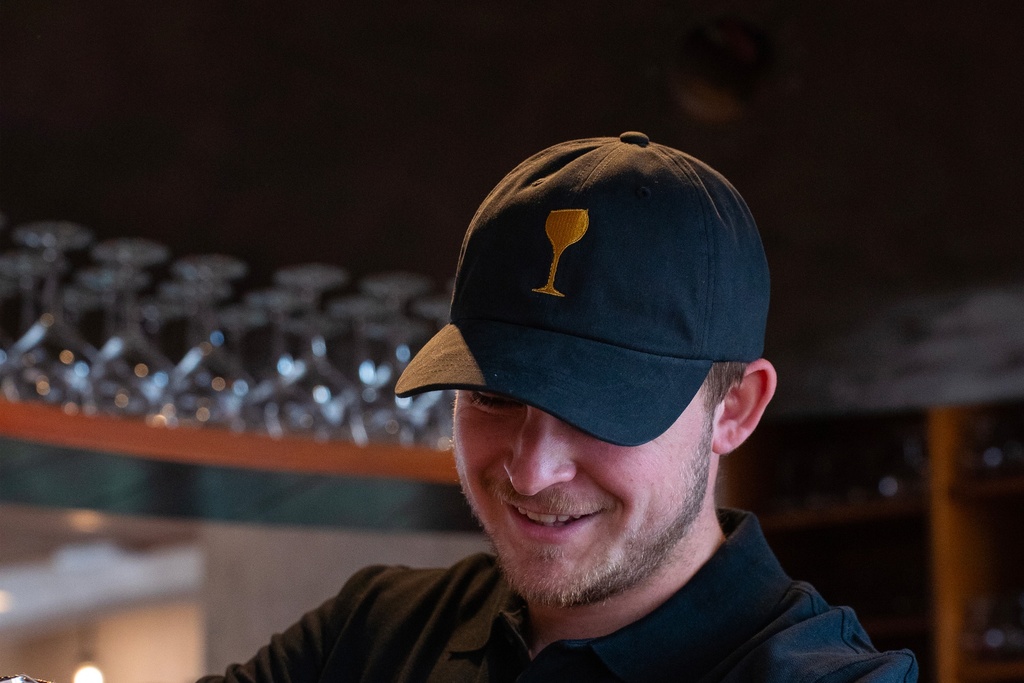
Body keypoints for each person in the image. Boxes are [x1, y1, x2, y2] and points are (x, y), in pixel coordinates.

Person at [200, 132, 919, 682]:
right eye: (492, 395)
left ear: (734, 410)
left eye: (599, 407)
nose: (531, 470)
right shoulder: (372, 632)